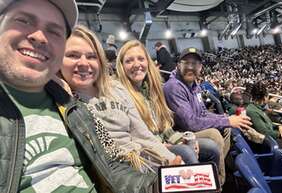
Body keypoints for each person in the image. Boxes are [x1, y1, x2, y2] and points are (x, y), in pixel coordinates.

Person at [0, 1, 156, 193]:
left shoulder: (73, 107)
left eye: (54, 31)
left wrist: (161, 186)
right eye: (23, 20)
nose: (40, 37)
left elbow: (112, 166)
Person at [59, 25, 182, 171]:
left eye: (92, 56)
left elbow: (142, 134)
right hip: (119, 172)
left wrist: (172, 159)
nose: (84, 63)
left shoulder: (116, 89)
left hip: (144, 160)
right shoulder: (64, 100)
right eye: (73, 55)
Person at [116, 40, 226, 183]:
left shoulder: (151, 89)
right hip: (147, 150)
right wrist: (165, 145)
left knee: (211, 148)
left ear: (148, 62)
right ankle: (200, 186)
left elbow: (165, 127)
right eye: (129, 60)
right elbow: (137, 135)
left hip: (165, 141)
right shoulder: (121, 94)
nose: (137, 64)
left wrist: (181, 139)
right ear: (122, 66)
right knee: (188, 152)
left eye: (141, 59)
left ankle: (215, 185)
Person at [163, 47, 253, 184]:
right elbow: (190, 123)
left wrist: (226, 119)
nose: (190, 68)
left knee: (227, 128)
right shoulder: (173, 87)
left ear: (200, 68)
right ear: (178, 65)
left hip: (191, 127)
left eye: (195, 64)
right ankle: (218, 183)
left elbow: (203, 113)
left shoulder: (194, 84)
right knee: (213, 134)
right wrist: (227, 120)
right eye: (186, 63)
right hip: (179, 133)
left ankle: (214, 172)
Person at [246, 81, 282, 158]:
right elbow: (264, 132)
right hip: (269, 143)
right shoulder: (253, 111)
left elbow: (268, 124)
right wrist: (280, 133)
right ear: (265, 97)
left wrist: (279, 127)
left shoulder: (257, 109)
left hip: (271, 139)